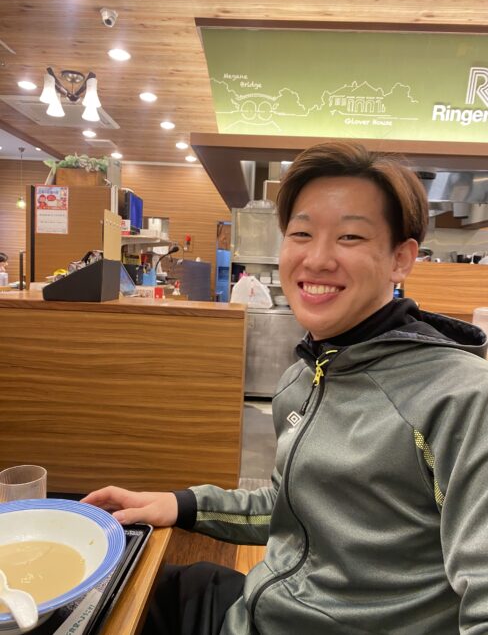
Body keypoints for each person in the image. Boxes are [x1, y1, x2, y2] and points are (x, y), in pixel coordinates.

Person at [83, 142, 488, 635]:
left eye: (350, 236)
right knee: (98, 594)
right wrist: (180, 504)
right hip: (263, 609)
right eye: (301, 233)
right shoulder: (304, 375)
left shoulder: (461, 398)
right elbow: (290, 502)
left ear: (401, 259)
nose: (317, 259)